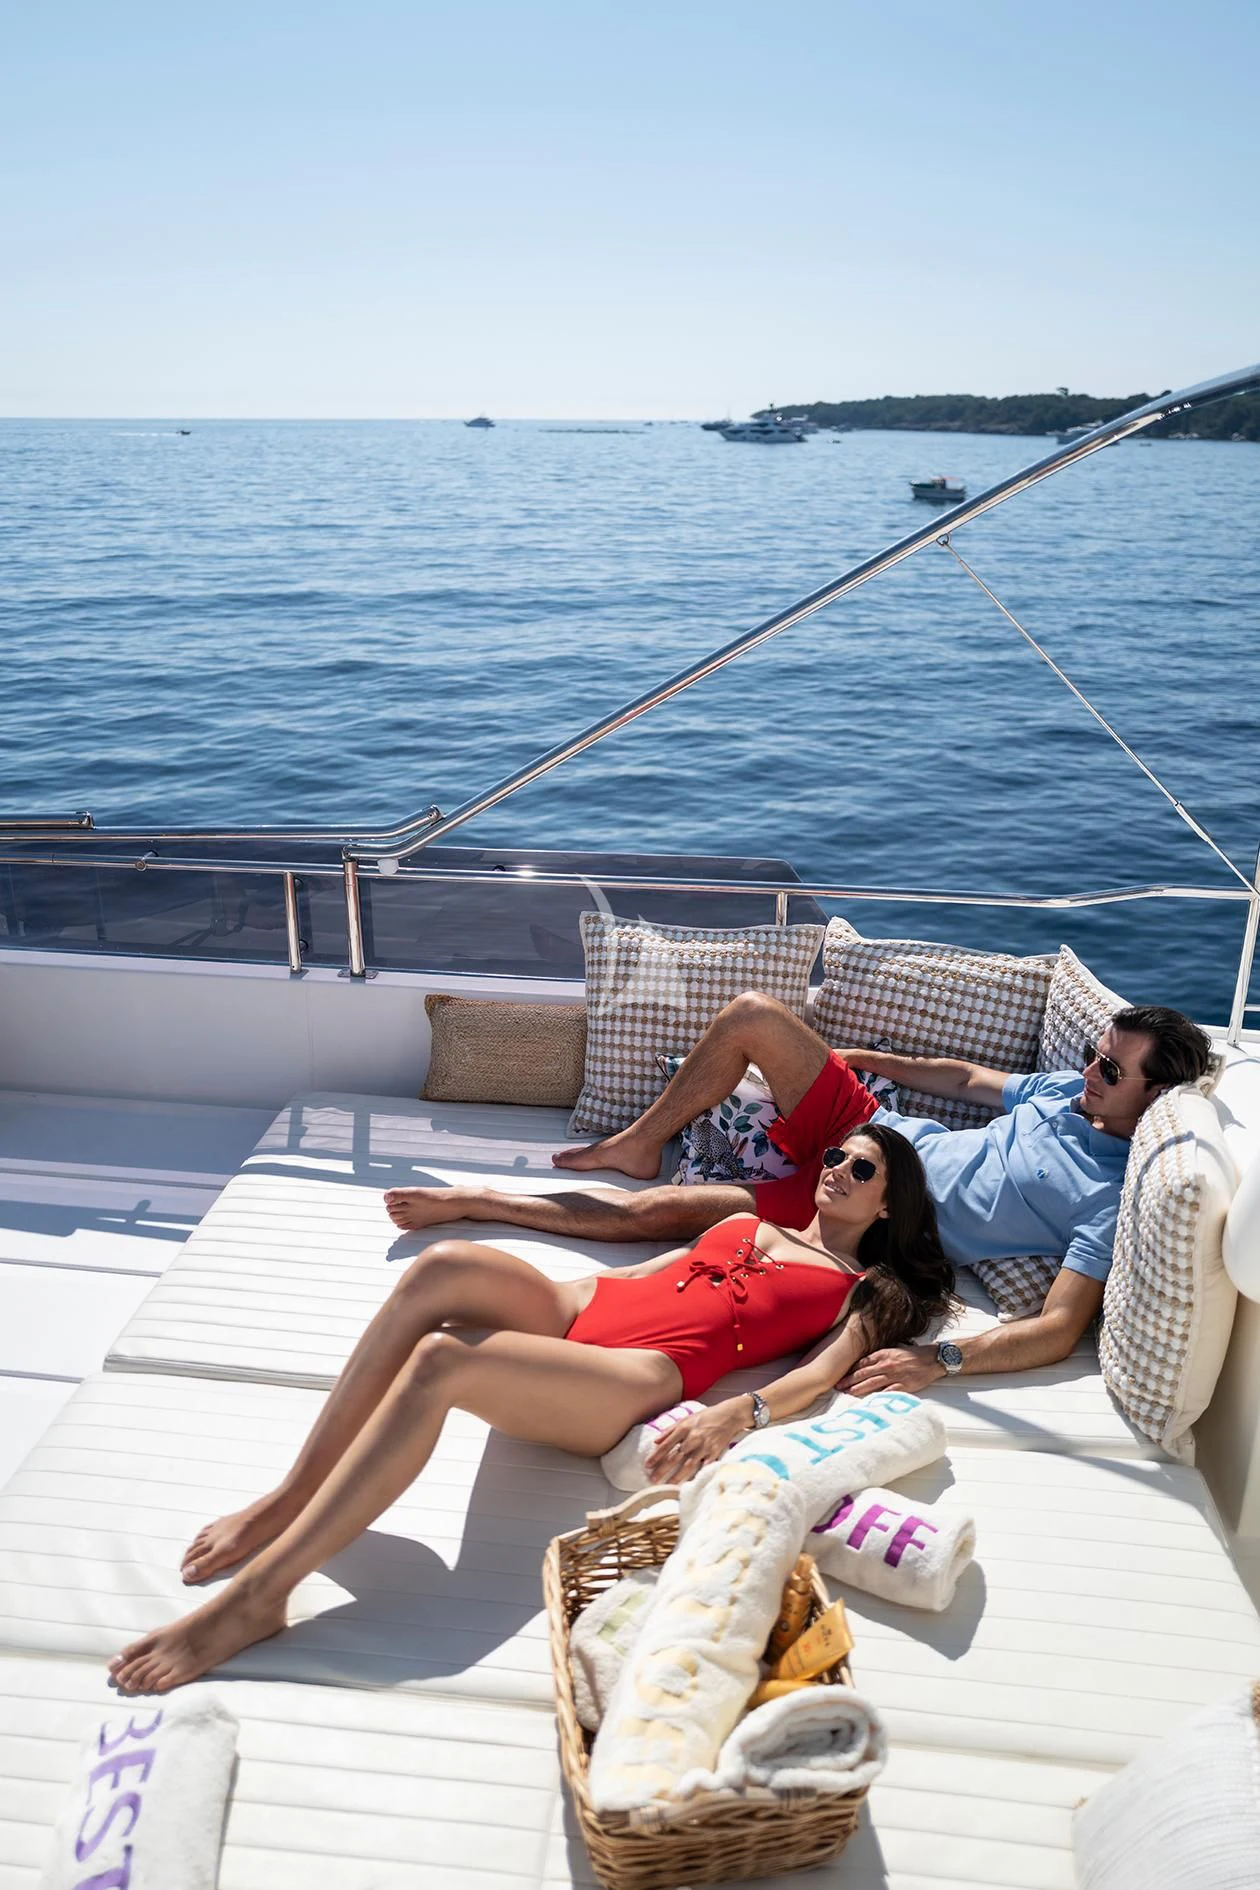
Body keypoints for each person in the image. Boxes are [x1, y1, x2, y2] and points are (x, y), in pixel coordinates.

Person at [107, 1123, 955, 1695]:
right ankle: (292, 1494)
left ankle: (263, 1594)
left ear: (887, 1205)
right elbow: (640, 1256)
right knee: (440, 1268)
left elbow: (818, 1377)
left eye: (862, 1169)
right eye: (837, 1156)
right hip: (584, 1307)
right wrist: (535, 1272)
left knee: (443, 1361)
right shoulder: (746, 1213)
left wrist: (738, 1414)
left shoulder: (862, 1287)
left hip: (637, 1374)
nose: (838, 1170)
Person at [385, 992, 1214, 1394]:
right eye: (1094, 1054)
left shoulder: (1105, 1195)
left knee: (663, 1217)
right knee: (753, 1016)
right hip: (869, 1134)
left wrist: (940, 1359)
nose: (1090, 1073)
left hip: (876, 1210)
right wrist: (865, 1062)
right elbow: (965, 1079)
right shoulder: (1063, 1092)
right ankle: (638, 1142)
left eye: (1111, 1070)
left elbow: (1060, 1329)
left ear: (1154, 1096)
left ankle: (486, 1203)